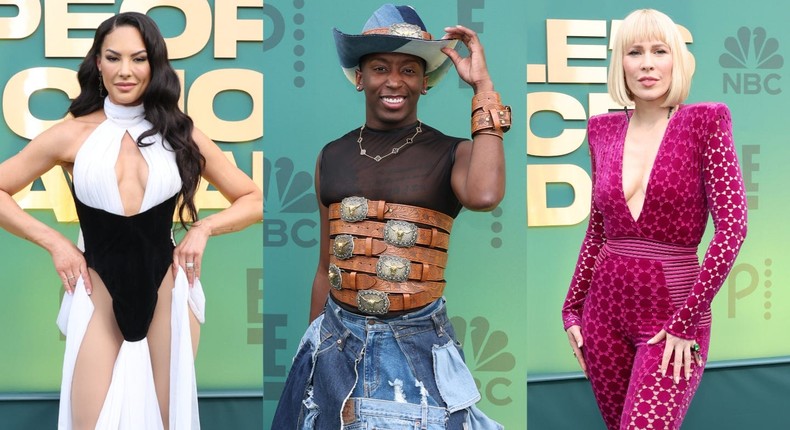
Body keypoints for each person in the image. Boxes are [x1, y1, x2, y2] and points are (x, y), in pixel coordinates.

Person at [0, 12, 262, 430]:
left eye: (138, 59)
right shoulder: (71, 135)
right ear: (97, 64)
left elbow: (253, 198)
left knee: (167, 421)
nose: (125, 70)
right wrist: (57, 243)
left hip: (170, 288)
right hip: (97, 286)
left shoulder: (181, 134)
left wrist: (202, 229)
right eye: (113, 57)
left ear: (154, 65)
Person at [272, 4, 510, 429]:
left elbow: (486, 194)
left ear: (425, 82)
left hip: (416, 344)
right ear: (360, 78)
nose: (394, 81)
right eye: (380, 68)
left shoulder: (453, 152)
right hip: (337, 341)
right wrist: (314, 350)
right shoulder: (332, 155)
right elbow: (326, 268)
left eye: (409, 70)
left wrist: (483, 89)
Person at [561, 8, 748, 430]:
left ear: (676, 60)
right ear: (621, 64)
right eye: (634, 52)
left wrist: (686, 321)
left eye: (660, 50)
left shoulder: (706, 122)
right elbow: (598, 229)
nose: (647, 63)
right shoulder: (601, 130)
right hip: (603, 315)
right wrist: (571, 309)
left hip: (672, 319)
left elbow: (733, 228)